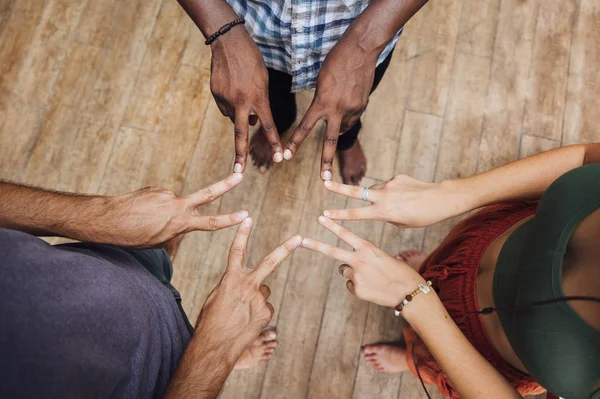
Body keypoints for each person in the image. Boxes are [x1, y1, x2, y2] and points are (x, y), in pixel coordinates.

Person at [300, 143, 600, 399]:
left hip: (478, 355)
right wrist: (452, 195)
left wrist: (414, 299)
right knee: (435, 262)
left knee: (427, 357)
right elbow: (588, 157)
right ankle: (427, 270)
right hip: (481, 240)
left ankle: (410, 358)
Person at [0, 174, 302, 399]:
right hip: (162, 379)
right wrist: (215, 354)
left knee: (152, 256)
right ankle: (216, 355)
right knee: (193, 351)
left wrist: (99, 215)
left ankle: (161, 256)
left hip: (101, 263)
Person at [177, 0, 427, 185]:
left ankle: (346, 138)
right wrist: (224, 32)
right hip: (256, 35)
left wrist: (364, 44)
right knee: (272, 102)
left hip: (366, 31)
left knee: (349, 106)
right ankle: (278, 125)